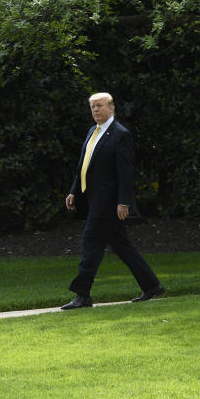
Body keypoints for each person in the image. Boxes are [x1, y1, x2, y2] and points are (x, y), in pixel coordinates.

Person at [61, 92, 164, 310]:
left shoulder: (120, 135)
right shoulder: (92, 132)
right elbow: (84, 165)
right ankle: (152, 285)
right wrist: (73, 191)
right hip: (93, 199)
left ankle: (82, 295)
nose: (96, 110)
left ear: (111, 108)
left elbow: (125, 173)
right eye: (93, 107)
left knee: (90, 245)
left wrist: (124, 202)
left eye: (99, 106)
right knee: (123, 246)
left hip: (108, 204)